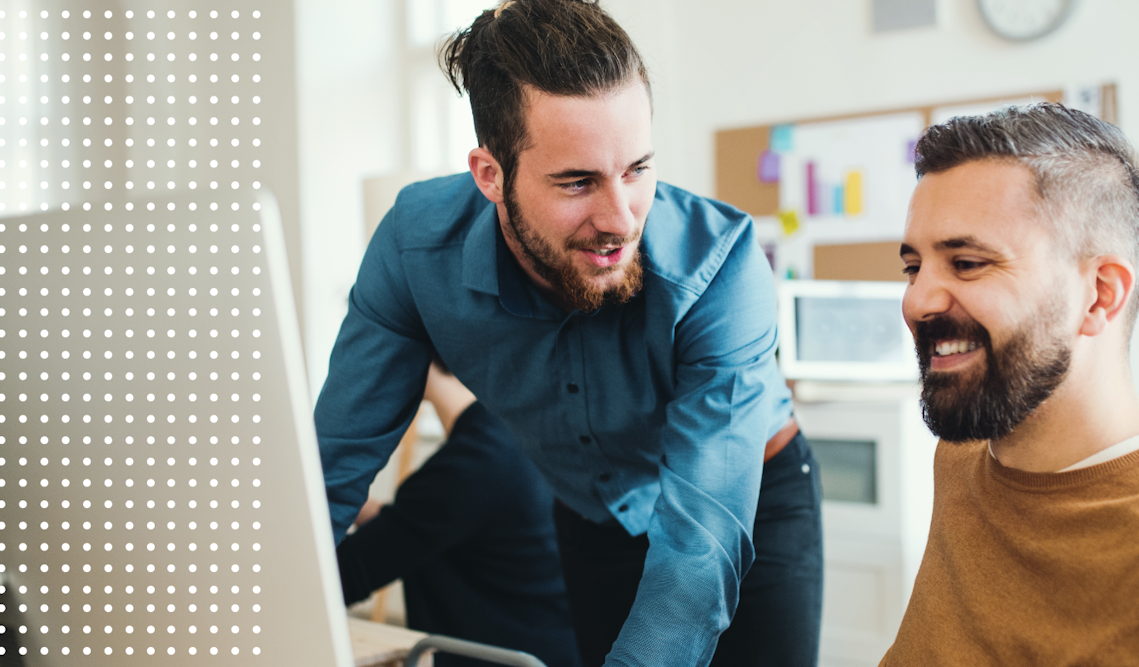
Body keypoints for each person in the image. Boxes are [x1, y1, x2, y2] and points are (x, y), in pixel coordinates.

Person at [312, 1, 823, 666]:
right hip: (593, 514)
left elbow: (697, 551)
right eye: (577, 181)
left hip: (744, 501)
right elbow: (331, 467)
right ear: (490, 174)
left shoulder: (720, 266)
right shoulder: (415, 251)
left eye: (637, 169)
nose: (619, 218)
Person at [884, 104, 1139, 665]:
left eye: (968, 263)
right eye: (914, 267)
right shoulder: (962, 454)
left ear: (1100, 294)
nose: (917, 301)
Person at [335, 361, 579, 667]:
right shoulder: (515, 439)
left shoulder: (474, 464)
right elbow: (417, 530)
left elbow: (342, 576)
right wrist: (345, 498)